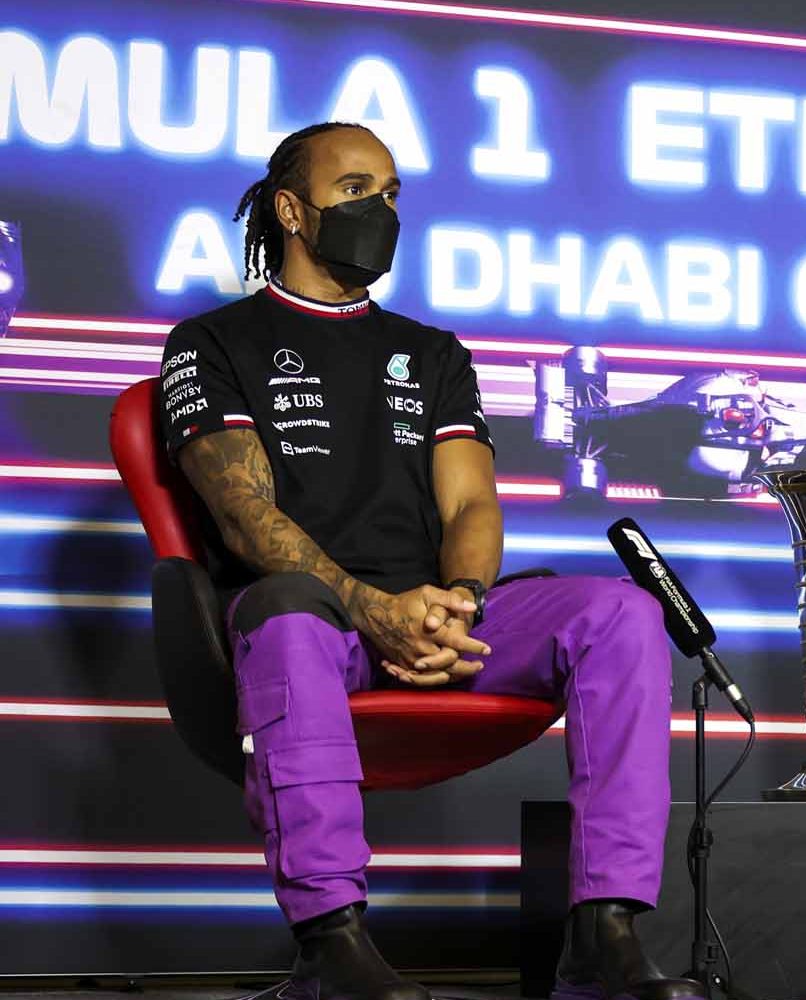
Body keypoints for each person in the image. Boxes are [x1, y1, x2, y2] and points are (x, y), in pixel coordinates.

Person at [160, 121, 701, 1000]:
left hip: (438, 619)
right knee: (287, 609)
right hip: (315, 619)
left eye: (393, 192)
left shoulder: (433, 353)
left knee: (623, 615)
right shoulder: (211, 343)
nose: (382, 210)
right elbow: (242, 515)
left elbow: (472, 503)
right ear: (293, 212)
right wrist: (375, 608)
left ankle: (603, 932)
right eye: (356, 190)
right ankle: (330, 948)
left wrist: (460, 601)